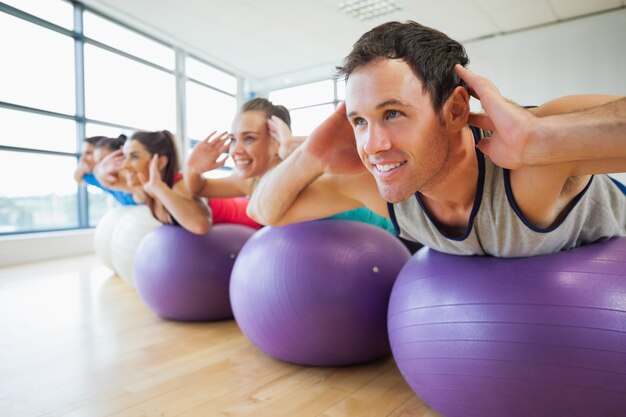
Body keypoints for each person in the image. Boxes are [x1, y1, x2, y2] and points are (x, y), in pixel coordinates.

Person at [247, 20, 626, 257]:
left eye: (392, 114)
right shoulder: (382, 187)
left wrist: (541, 139)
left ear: (456, 111)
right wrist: (310, 154)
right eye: (359, 121)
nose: (373, 145)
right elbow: (263, 212)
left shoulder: (530, 155)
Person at [185, 98, 399, 235]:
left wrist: (292, 144)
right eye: (233, 139)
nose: (236, 150)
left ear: (275, 139)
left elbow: (337, 149)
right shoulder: (248, 181)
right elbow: (199, 188)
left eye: (249, 139)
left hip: (394, 238)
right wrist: (192, 168)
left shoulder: (310, 171)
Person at [113, 130, 212, 234]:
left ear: (160, 163)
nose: (124, 165)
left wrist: (157, 186)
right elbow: (113, 183)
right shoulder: (146, 190)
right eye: (125, 157)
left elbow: (200, 226)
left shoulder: (180, 185)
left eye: (134, 157)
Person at [74, 134, 137, 205]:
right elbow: (78, 177)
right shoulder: (100, 177)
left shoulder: (132, 176)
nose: (83, 159)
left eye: (88, 153)